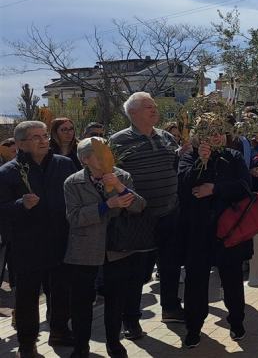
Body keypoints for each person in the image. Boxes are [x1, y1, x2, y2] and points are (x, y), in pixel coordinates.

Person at [63, 137, 146, 358]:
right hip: (84, 249)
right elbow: (74, 217)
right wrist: (105, 206)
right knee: (81, 302)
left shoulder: (122, 175)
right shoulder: (73, 182)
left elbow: (139, 206)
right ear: (85, 159)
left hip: (117, 248)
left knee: (116, 299)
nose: (104, 157)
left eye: (106, 151)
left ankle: (114, 344)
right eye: (97, 154)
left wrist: (120, 188)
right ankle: (81, 347)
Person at [110, 92, 184, 338]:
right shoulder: (118, 142)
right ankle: (130, 319)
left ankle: (171, 308)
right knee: (138, 273)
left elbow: (176, 167)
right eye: (148, 107)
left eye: (154, 107)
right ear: (132, 113)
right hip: (139, 216)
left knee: (171, 265)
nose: (154, 110)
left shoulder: (166, 137)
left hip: (170, 211)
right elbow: (112, 178)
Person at [0, 121, 77, 356]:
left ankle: (60, 330)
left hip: (60, 240)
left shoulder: (64, 165)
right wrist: (19, 205)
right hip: (27, 246)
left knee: (61, 291)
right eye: (36, 137)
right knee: (27, 297)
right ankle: (27, 343)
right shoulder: (8, 172)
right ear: (21, 144)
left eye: (44, 136)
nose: (43, 140)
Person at [177, 115, 253, 348]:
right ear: (199, 135)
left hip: (228, 230)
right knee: (196, 281)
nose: (216, 135)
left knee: (232, 280)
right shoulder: (189, 156)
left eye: (219, 130)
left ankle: (237, 322)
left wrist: (215, 189)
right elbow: (184, 185)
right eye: (209, 131)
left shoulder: (233, 156)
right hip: (198, 231)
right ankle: (193, 327)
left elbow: (244, 188)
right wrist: (202, 162)